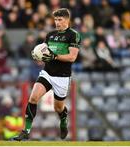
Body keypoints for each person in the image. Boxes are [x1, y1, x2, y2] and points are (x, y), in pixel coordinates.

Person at [11, 8, 81, 141]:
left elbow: (72, 57)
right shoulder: (50, 35)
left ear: (67, 20)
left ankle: (63, 119)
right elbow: (43, 51)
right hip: (47, 73)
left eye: (60, 19)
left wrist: (54, 56)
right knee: (32, 98)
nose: (57, 22)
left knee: (58, 107)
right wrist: (37, 55)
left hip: (62, 77)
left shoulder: (73, 35)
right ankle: (25, 131)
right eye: (55, 19)